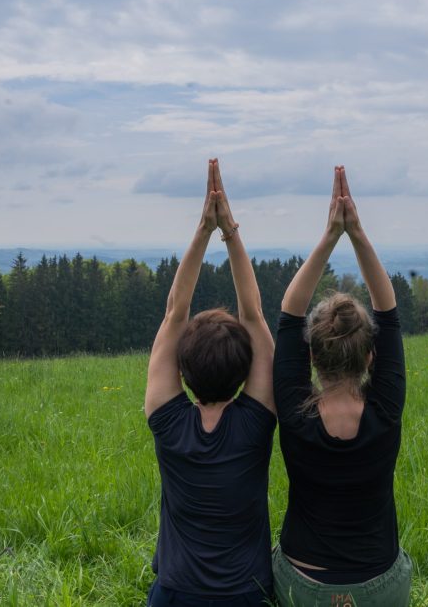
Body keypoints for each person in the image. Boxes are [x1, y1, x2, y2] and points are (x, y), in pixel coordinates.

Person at [272, 166, 412, 606]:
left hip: (302, 583)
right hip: (380, 586)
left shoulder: (295, 411)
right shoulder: (384, 409)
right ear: (372, 357)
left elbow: (289, 315)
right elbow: (387, 313)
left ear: (310, 357)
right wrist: (356, 233)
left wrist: (331, 236)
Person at [145, 159, 276, 607]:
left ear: (182, 372)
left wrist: (203, 229)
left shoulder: (167, 422)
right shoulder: (257, 422)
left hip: (175, 594)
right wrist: (230, 232)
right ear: (246, 372)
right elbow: (253, 314)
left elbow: (173, 313)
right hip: (247, 595)